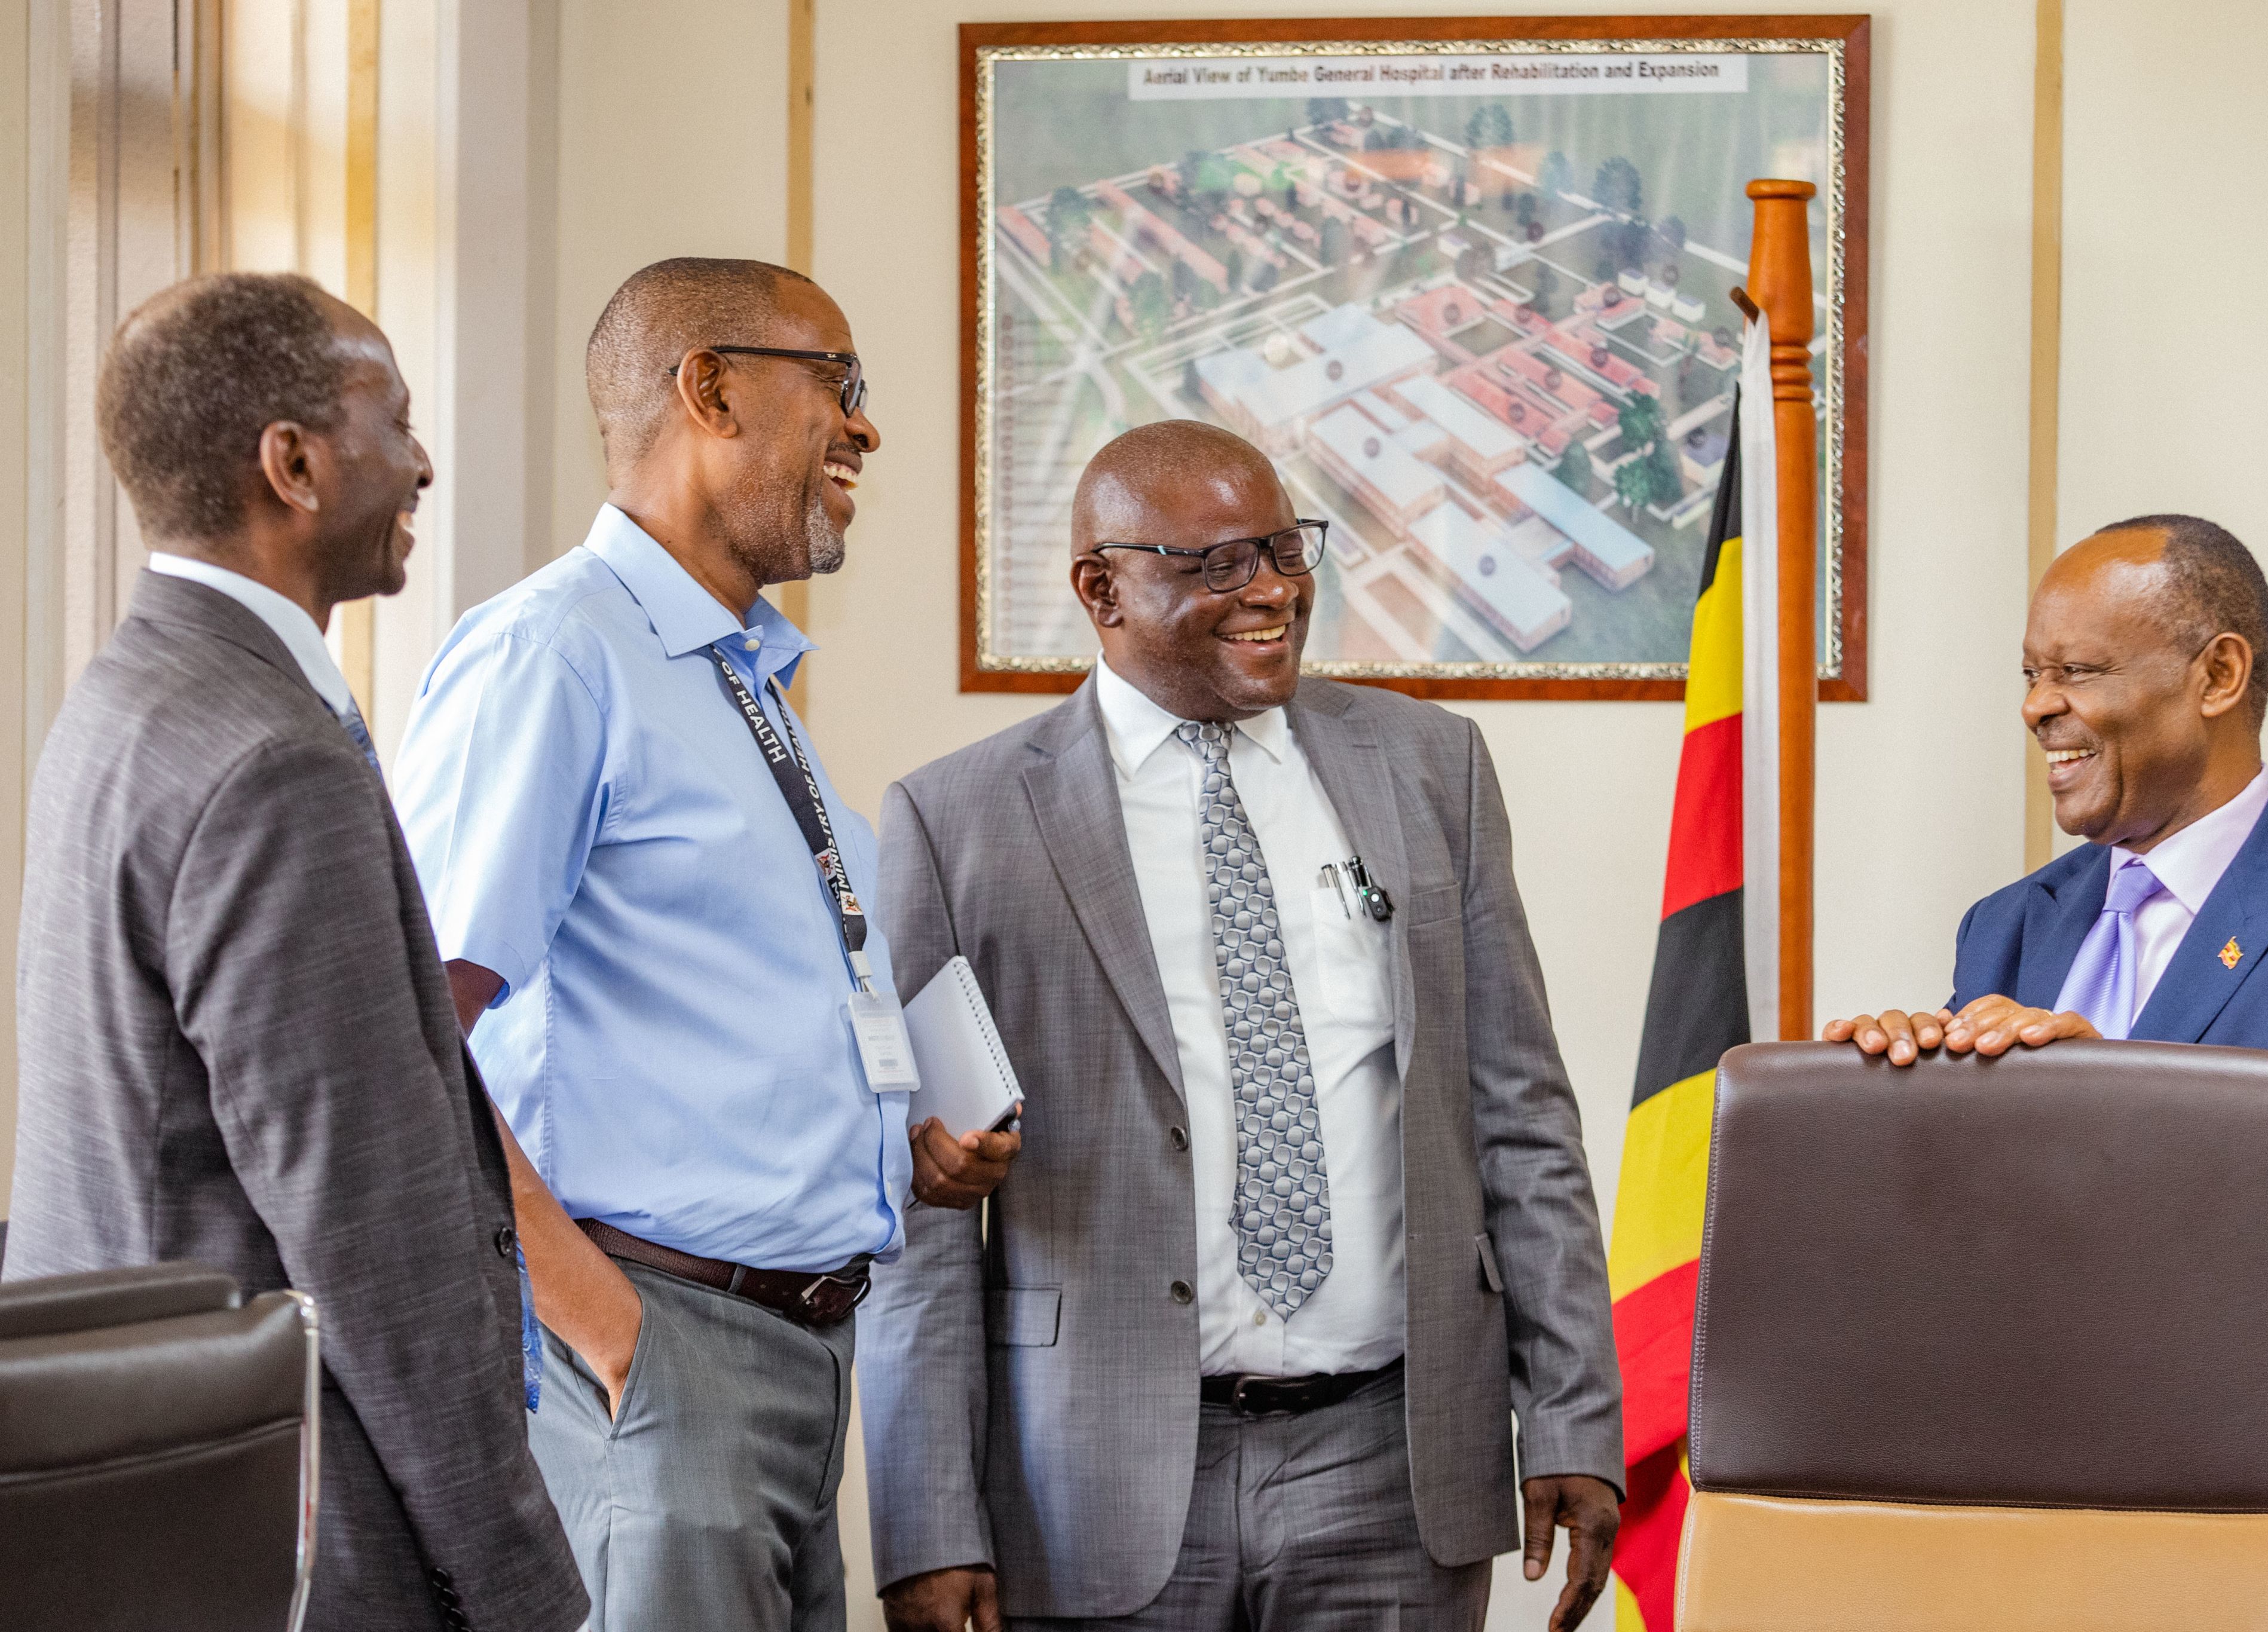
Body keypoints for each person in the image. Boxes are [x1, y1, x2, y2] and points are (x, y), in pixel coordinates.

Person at [861, 420, 1624, 1632]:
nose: (1269, 587)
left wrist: (1574, 1414)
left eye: (1281, 547)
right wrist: (925, 1516)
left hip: (1390, 1464)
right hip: (1091, 1477)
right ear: (1100, 589)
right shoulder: (958, 825)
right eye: (1211, 564)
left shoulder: (1431, 769)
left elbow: (1519, 1117)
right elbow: (920, 1204)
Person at [390, 258, 1016, 1632]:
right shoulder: (557, 656)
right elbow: (403, 1044)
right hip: (660, 1357)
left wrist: (896, 1137)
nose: (863, 430)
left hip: (795, 1359)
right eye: (839, 387)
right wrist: (613, 1335)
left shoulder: (741, 675)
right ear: (710, 389)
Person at [6, 273, 587, 1631]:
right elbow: (368, 1224)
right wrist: (518, 1583)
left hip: (120, 1487)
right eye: (393, 418)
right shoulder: (275, 762)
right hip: (289, 1513)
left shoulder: (128, 696)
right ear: (295, 462)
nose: (423, 459)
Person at [1828, 515, 2268, 1308]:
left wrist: (2121, 1112)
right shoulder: (2008, 924)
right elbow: (1956, 1221)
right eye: (2030, 674)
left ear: (2218, 676)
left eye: (2078, 670)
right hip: (1987, 1417)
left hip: (2207, 1429)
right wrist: (1894, 1102)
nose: (2036, 707)